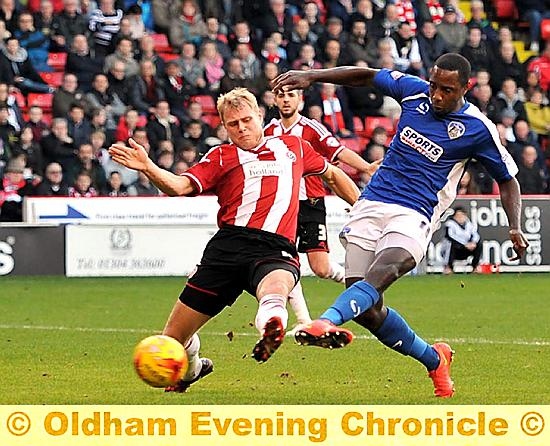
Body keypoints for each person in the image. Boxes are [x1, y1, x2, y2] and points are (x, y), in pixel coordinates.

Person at [271, 53, 529, 398]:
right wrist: (312, 76)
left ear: (465, 89)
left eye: (446, 90)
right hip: (373, 201)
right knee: (366, 309)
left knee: (388, 267)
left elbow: (507, 179)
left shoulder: (477, 128)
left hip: (416, 212)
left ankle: (326, 321)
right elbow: (366, 75)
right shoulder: (413, 91)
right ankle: (434, 359)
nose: (436, 95)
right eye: (434, 85)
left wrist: (514, 226)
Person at [108, 87, 361, 392]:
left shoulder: (293, 147)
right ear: (225, 127)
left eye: (246, 120)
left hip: (274, 246)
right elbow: (179, 186)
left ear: (260, 116)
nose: (241, 128)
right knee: (171, 341)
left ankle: (272, 327)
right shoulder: (221, 155)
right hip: (227, 248)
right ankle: (193, 369)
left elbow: (333, 175)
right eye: (233, 124)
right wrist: (148, 167)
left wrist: (361, 209)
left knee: (276, 287)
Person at [264, 88, 379, 330]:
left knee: (321, 268)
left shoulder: (311, 128)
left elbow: (338, 151)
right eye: (281, 96)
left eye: (291, 95)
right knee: (285, 261)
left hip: (312, 203)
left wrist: (366, 167)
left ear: (301, 100)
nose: (286, 100)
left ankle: (362, 288)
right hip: (283, 206)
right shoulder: (268, 132)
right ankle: (304, 321)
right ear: (275, 100)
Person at [442, 206, 482, 274]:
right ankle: (449, 267)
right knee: (451, 244)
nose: (460, 218)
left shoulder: (469, 224)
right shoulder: (450, 224)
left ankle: (475, 267)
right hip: (455, 249)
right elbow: (450, 236)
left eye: (462, 215)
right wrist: (464, 244)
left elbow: (475, 235)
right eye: (458, 216)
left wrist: (473, 243)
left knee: (479, 245)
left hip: (466, 249)